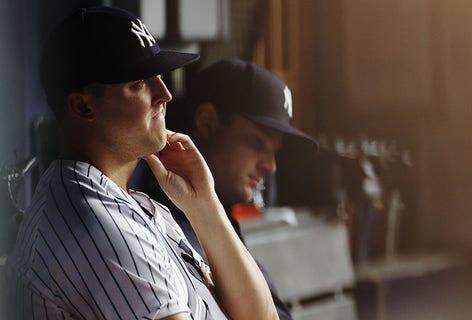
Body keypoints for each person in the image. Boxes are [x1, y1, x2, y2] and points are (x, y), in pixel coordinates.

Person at [6, 7, 277, 320]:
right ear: (83, 106)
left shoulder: (127, 203)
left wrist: (204, 204)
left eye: (159, 77)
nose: (165, 94)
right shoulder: (96, 225)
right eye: (139, 83)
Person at [139, 58, 318, 320]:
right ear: (208, 122)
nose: (270, 166)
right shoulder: (161, 224)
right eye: (258, 143)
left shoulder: (218, 219)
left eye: (274, 152)